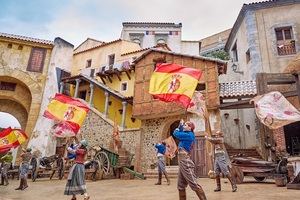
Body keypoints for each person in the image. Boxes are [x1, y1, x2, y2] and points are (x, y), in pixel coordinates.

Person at [173, 119, 207, 200]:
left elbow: (176, 133)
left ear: (190, 128)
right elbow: (180, 132)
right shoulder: (186, 134)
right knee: (180, 186)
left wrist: (178, 127)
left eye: (186, 125)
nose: (184, 126)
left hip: (185, 161)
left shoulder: (189, 135)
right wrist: (181, 125)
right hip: (181, 161)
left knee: (194, 184)